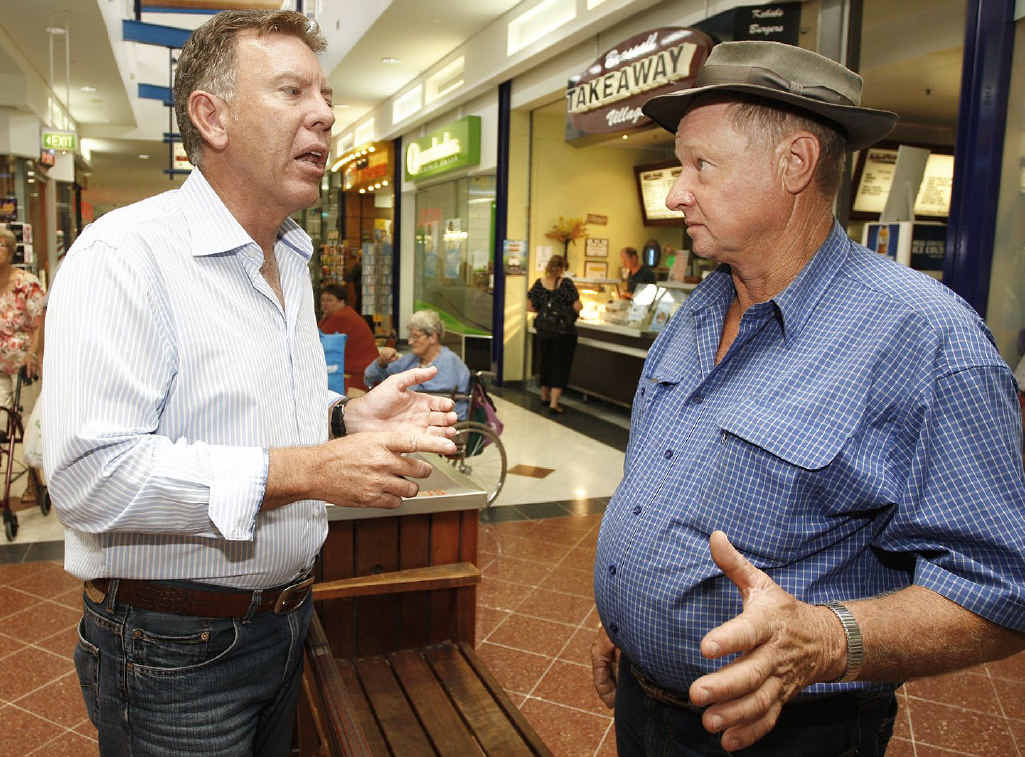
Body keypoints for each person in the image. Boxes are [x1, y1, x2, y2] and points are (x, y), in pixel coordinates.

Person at [590, 40, 1025, 756]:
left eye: (701, 165)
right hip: (644, 705)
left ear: (793, 163)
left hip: (790, 732)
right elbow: (661, 481)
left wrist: (826, 640)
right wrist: (626, 610)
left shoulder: (921, 339)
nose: (674, 193)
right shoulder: (699, 308)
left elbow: (1001, 587)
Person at [42, 11, 457, 757]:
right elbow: (86, 474)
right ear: (212, 115)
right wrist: (312, 468)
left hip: (287, 621)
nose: (325, 114)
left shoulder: (288, 256)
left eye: (325, 96)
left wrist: (347, 418)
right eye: (292, 90)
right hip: (174, 650)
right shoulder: (124, 257)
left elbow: (245, 412)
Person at [365, 309, 471, 419]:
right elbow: (369, 378)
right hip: (411, 420)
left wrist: (398, 386)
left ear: (432, 337)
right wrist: (381, 362)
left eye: (415, 336)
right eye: (410, 336)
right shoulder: (411, 359)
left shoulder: (449, 362)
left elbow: (432, 398)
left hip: (443, 423)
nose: (410, 342)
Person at [527, 254, 581, 414]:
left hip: (544, 331)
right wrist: (568, 314)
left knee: (545, 362)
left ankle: (544, 396)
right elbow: (577, 306)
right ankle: (554, 403)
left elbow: (529, 306)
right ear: (562, 268)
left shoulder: (539, 283)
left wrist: (544, 311)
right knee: (560, 366)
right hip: (563, 333)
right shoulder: (566, 284)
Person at [0, 227, 45, 405]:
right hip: (1, 366)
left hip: (24, 364)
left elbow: (40, 323)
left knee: (26, 419)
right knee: (3, 422)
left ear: (11, 250)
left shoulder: (27, 283)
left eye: (1, 244)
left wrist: (33, 355)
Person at [318, 283, 378, 391]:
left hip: (355, 378)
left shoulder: (341, 317)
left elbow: (318, 343)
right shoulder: (340, 314)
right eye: (323, 300)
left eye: (330, 300)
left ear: (342, 302)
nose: (325, 304)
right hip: (365, 373)